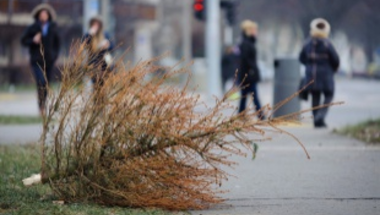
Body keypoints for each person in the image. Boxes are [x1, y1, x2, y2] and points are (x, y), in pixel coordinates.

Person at [299, 18, 340, 128]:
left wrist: (310, 65)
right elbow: (335, 60)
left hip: (311, 75)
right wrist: (333, 69)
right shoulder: (328, 44)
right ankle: (320, 117)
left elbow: (301, 58)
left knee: (315, 96)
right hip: (326, 75)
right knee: (329, 95)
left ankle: (316, 119)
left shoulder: (307, 43)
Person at [21, 4, 60, 116]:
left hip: (49, 61)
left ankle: (43, 104)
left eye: (45, 14)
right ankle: (40, 106)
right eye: (41, 14)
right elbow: (23, 41)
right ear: (38, 15)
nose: (43, 16)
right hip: (36, 60)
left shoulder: (53, 27)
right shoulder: (33, 27)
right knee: (40, 82)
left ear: (48, 16)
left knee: (46, 85)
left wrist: (54, 56)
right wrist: (33, 40)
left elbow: (57, 44)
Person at [238, 20, 263, 119]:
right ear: (249, 30)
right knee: (254, 96)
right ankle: (261, 116)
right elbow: (247, 60)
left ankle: (241, 115)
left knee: (244, 97)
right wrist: (252, 71)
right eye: (254, 29)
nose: (256, 31)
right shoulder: (246, 43)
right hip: (248, 75)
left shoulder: (248, 42)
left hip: (247, 75)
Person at [82, 16, 114, 91]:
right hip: (93, 63)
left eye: (97, 24)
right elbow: (84, 45)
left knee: (104, 85)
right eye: (94, 24)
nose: (96, 26)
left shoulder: (105, 34)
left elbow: (112, 46)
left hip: (104, 62)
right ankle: (96, 101)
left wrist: (107, 46)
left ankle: (102, 100)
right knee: (95, 84)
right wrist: (90, 35)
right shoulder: (89, 34)